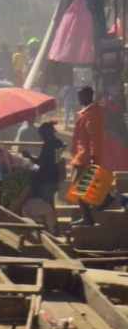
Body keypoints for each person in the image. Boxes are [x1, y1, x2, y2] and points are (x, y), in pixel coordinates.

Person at [70, 86, 107, 226]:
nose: (79, 99)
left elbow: (94, 138)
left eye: (80, 96)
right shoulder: (88, 113)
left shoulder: (92, 114)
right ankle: (88, 217)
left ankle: (90, 217)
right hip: (81, 156)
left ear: (88, 96)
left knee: (78, 188)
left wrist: (93, 157)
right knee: (80, 189)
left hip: (85, 157)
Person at [20, 121, 64, 233]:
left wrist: (29, 157)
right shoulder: (58, 143)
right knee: (50, 204)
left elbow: (42, 163)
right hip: (53, 178)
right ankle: (53, 227)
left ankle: (51, 229)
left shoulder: (49, 145)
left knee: (47, 205)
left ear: (47, 133)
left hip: (47, 179)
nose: (41, 137)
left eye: (42, 134)